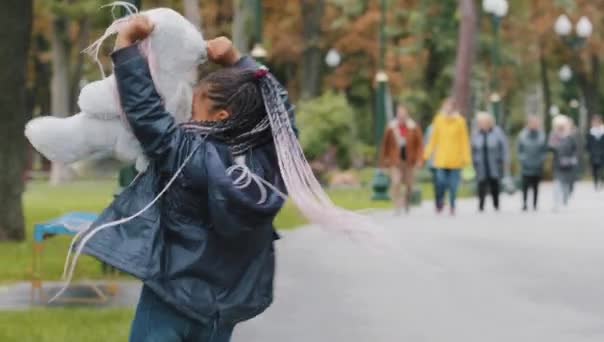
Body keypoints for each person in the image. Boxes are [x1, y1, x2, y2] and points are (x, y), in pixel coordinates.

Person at [66, 15, 373, 342]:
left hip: (170, 299)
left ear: (221, 117)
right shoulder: (269, 163)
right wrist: (237, 60)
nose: (187, 116)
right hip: (221, 310)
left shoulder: (186, 153)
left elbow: (146, 113)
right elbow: (281, 115)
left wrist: (126, 45)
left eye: (195, 108)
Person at [424, 98, 472, 215]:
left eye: (450, 106)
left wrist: (467, 158)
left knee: (453, 185)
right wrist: (426, 154)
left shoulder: (460, 121)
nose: (448, 108)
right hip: (441, 159)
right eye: (446, 106)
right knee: (440, 182)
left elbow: (464, 141)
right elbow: (433, 139)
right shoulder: (438, 120)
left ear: (454, 108)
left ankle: (452, 205)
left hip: (456, 159)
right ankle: (440, 201)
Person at [379, 104, 424, 214]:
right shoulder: (391, 128)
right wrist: (383, 161)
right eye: (399, 114)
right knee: (396, 182)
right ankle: (397, 205)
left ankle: (406, 201)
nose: (401, 116)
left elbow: (420, 145)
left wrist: (419, 159)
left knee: (409, 184)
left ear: (407, 115)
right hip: (395, 161)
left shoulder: (413, 127)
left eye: (403, 114)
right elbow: (384, 145)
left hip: (409, 161)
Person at [471, 112, 509, 212]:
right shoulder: (476, 133)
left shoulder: (497, 132)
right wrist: (472, 161)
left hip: (494, 163)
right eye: (480, 122)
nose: (482, 123)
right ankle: (481, 206)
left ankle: (496, 204)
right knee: (481, 184)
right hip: (480, 164)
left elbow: (504, 147)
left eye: (484, 121)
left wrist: (504, 160)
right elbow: (472, 149)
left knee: (494, 184)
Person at [549, 115, 578, 211]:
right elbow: (550, 147)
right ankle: (556, 204)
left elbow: (575, 149)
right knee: (557, 184)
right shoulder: (554, 136)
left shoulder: (570, 136)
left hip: (568, 165)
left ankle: (565, 198)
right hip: (558, 164)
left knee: (566, 184)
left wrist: (572, 159)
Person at [517, 115, 546, 211]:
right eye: (532, 123)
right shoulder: (522, 135)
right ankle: (525, 203)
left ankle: (535, 204)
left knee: (536, 186)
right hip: (526, 165)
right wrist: (523, 159)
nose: (534, 125)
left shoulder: (541, 135)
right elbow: (519, 150)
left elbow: (543, 150)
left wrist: (541, 160)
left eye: (536, 123)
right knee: (525, 186)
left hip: (537, 165)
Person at [586, 115, 604, 190]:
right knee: (594, 169)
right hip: (594, 153)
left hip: (603, 153)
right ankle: (596, 182)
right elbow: (588, 144)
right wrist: (590, 152)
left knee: (602, 168)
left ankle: (602, 180)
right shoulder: (591, 132)